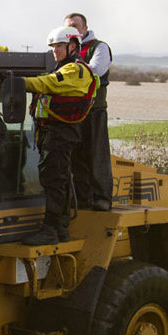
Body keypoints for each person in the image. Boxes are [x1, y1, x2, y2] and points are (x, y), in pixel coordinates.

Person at [19, 26, 98, 245]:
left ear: (73, 46)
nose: (55, 51)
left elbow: (49, 84)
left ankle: (52, 229)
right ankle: (60, 228)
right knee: (56, 178)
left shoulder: (75, 70)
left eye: (60, 47)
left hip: (62, 133)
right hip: (52, 132)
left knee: (54, 179)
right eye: (53, 47)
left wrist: (19, 82)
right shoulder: (63, 68)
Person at [65, 12, 113, 210]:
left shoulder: (99, 47)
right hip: (72, 111)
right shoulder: (66, 48)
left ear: (85, 28)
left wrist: (70, 74)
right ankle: (83, 198)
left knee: (97, 154)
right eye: (69, 27)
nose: (73, 29)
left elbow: (95, 71)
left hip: (94, 109)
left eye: (76, 26)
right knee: (77, 155)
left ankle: (102, 198)